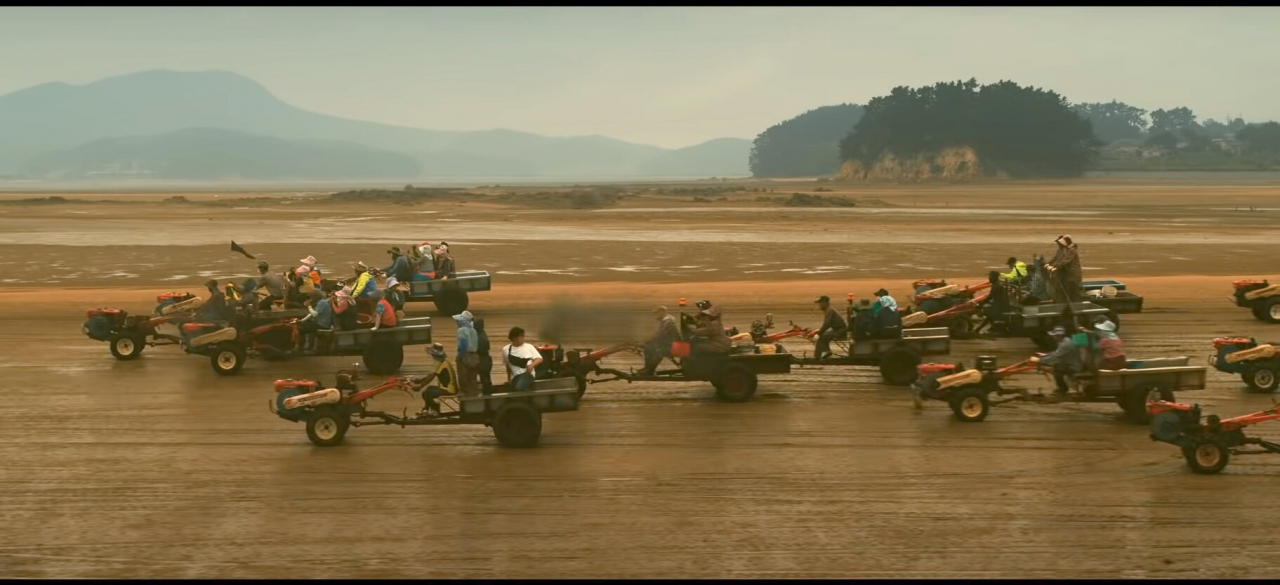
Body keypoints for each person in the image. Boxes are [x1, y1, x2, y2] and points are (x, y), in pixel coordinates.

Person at [410, 343, 458, 418]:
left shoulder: (440, 363)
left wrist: (420, 386)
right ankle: (426, 410)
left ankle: (435, 411)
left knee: (426, 393)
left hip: (449, 389)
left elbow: (431, 377)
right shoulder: (442, 362)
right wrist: (419, 380)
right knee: (429, 389)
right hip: (447, 388)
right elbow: (430, 375)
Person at [1038, 325, 1085, 396]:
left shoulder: (1065, 344)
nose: (1053, 337)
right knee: (1057, 366)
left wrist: (1041, 360)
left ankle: (1062, 389)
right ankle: (1062, 388)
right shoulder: (1064, 341)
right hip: (1070, 363)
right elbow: (1056, 353)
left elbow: (1056, 356)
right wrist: (1045, 356)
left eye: (1054, 336)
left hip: (1074, 366)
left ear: (1059, 336)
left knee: (1057, 370)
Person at [639, 305, 681, 375]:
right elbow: (658, 334)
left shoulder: (668, 322)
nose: (656, 315)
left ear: (662, 312)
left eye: (657, 313)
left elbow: (661, 334)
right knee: (647, 347)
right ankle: (647, 368)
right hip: (669, 343)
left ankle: (650, 370)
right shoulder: (665, 321)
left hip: (674, 345)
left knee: (659, 351)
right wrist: (648, 341)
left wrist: (649, 340)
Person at [503, 326, 544, 392]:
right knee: (511, 390)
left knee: (519, 388)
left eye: (523, 336)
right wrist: (509, 379)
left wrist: (532, 365)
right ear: (514, 338)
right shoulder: (506, 350)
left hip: (527, 374)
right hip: (515, 376)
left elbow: (539, 359)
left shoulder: (529, 347)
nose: (523, 338)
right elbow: (508, 365)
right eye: (521, 336)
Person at [1046, 235, 1083, 303]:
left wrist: (1055, 266)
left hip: (1073, 274)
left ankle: (1075, 304)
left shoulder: (1072, 251)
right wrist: (1049, 263)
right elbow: (1056, 258)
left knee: (1073, 290)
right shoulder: (1062, 250)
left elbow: (1065, 260)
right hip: (1067, 273)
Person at [811, 295, 848, 361]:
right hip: (837, 330)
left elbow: (827, 324)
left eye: (820, 303)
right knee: (823, 336)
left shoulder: (829, 310)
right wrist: (819, 331)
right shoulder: (829, 310)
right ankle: (819, 355)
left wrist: (819, 333)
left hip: (840, 331)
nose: (819, 305)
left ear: (825, 303)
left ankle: (823, 354)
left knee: (822, 337)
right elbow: (826, 324)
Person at [454, 311, 481, 396]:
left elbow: (463, 344)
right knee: (472, 378)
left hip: (465, 355)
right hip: (475, 356)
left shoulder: (461, 330)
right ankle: (474, 394)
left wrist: (460, 356)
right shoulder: (474, 331)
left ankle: (466, 395)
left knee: (464, 377)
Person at [474, 316, 494, 393]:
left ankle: (487, 393)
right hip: (486, 359)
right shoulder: (482, 333)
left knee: (484, 378)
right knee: (485, 378)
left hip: (483, 360)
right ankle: (487, 392)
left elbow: (481, 348)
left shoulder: (480, 336)